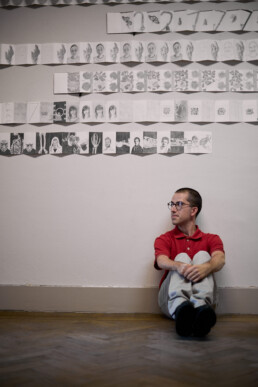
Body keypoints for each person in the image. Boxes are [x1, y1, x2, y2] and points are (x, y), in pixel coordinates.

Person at [154, 188, 225, 337]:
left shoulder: (211, 238)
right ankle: (180, 308)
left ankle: (201, 311)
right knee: (182, 258)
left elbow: (220, 259)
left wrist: (206, 267)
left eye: (178, 204)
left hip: (206, 300)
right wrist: (180, 266)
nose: (172, 209)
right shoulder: (164, 238)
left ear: (193, 210)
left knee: (203, 256)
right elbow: (161, 261)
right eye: (171, 204)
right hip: (168, 300)